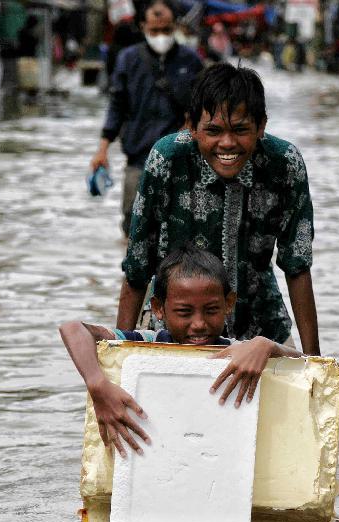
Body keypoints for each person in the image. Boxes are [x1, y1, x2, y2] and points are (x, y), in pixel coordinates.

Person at [116, 63, 321, 356]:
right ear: (192, 126)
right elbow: (138, 265)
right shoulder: (167, 160)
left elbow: (297, 264)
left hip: (259, 328)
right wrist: (121, 354)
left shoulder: (285, 164)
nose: (227, 143)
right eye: (213, 131)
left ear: (261, 125)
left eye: (240, 130)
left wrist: (314, 362)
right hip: (174, 325)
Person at [60, 245, 301, 457]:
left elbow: (307, 365)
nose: (198, 323)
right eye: (184, 312)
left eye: (211, 310)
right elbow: (72, 328)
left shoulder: (235, 352)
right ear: (158, 308)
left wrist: (265, 344)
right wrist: (98, 386)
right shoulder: (145, 344)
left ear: (228, 303)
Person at [90, 0, 204, 237]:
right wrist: (102, 151)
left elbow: (203, 108)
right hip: (138, 159)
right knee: (133, 225)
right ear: (142, 26)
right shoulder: (128, 59)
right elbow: (116, 107)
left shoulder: (191, 60)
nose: (161, 36)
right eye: (154, 30)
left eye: (167, 30)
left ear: (175, 26)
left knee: (180, 228)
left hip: (180, 161)